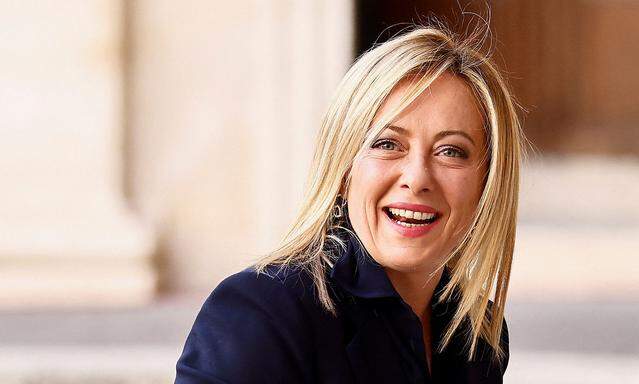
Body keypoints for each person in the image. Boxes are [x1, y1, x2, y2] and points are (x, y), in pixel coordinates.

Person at [175, 24, 526, 384]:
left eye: (450, 151)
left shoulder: (477, 335)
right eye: (388, 144)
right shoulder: (262, 314)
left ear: (487, 184)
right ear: (343, 170)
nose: (417, 177)